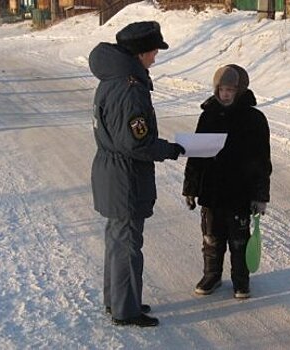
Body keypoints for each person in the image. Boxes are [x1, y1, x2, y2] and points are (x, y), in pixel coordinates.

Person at [88, 21, 185, 327]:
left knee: (117, 241)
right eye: (154, 51)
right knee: (127, 244)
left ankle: (117, 300)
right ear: (141, 53)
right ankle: (125, 310)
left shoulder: (113, 79)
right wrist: (170, 149)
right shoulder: (129, 89)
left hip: (113, 172)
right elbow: (136, 142)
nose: (155, 57)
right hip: (125, 176)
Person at [182, 64, 272, 299]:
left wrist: (260, 196)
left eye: (231, 90)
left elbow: (263, 160)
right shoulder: (208, 115)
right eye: (221, 89)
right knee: (211, 237)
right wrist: (190, 188)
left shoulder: (254, 119)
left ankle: (241, 279)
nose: (225, 94)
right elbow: (196, 155)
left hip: (240, 191)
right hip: (212, 190)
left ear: (240, 90)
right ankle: (212, 275)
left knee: (239, 239)